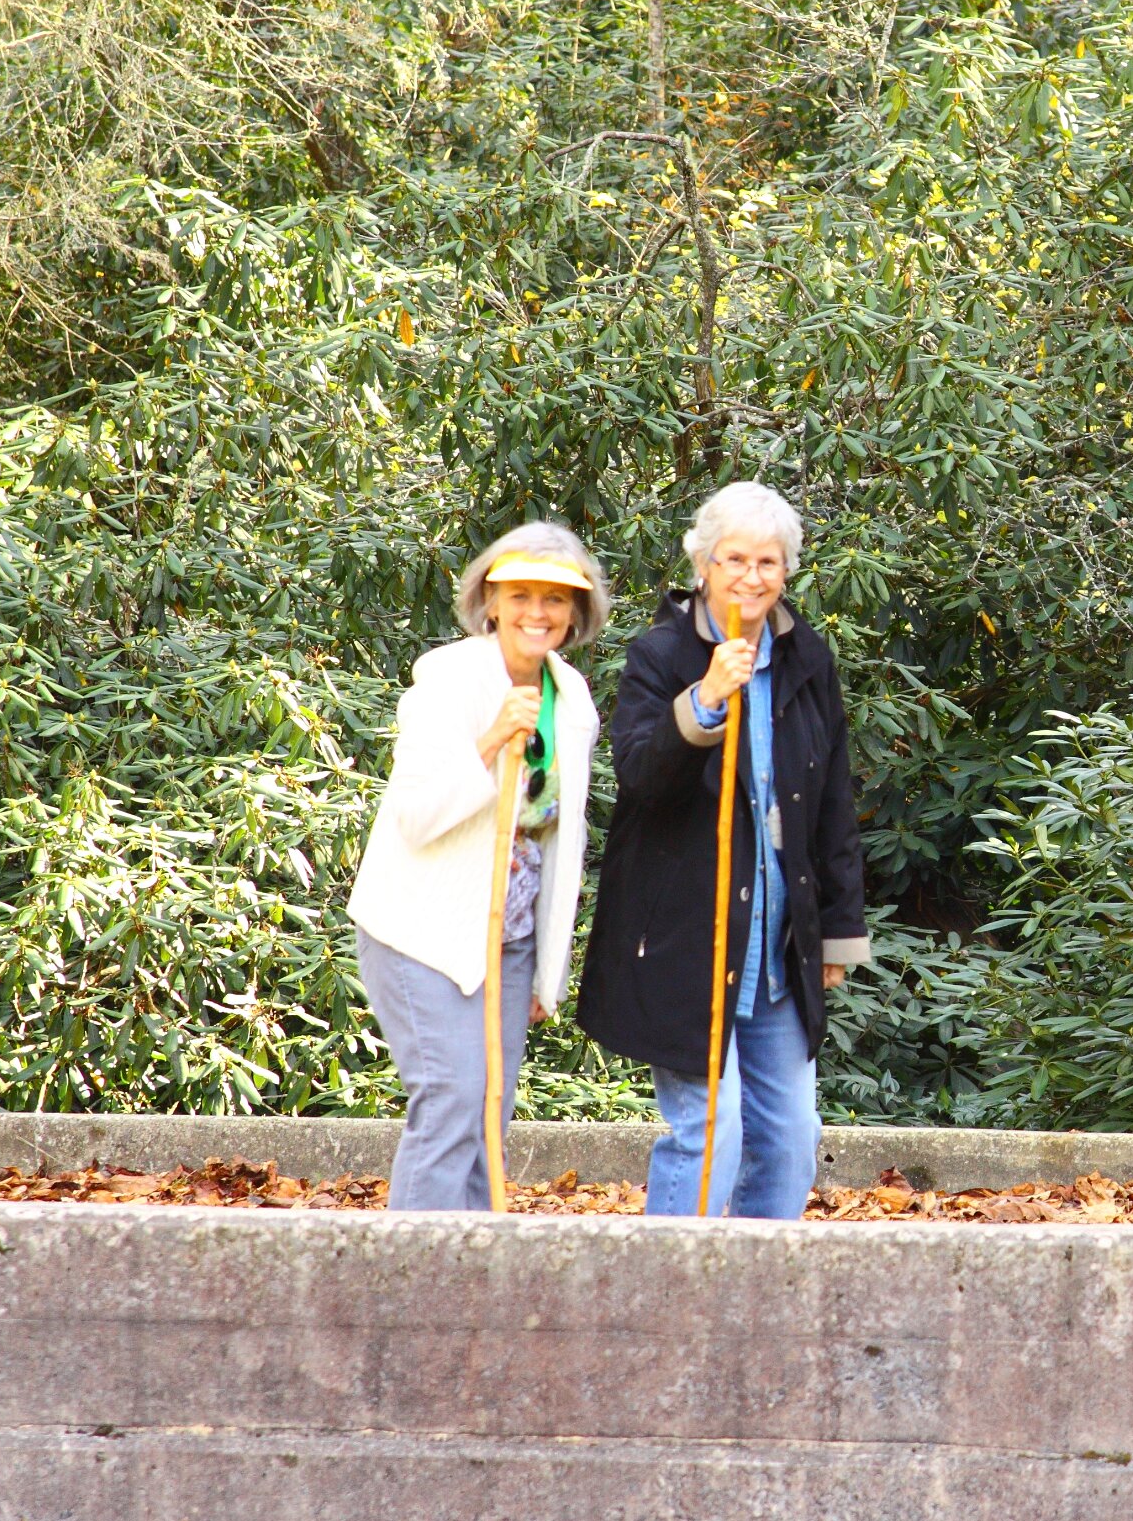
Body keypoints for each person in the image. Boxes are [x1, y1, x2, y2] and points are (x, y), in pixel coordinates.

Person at [578, 481, 868, 1218]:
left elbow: (830, 803)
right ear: (703, 565)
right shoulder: (661, 655)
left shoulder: (808, 659)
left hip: (778, 944)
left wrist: (837, 932)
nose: (751, 576)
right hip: (689, 940)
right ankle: (676, 1280)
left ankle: (755, 1281)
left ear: (786, 571)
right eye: (734, 559)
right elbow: (639, 775)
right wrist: (705, 698)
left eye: (767, 561)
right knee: (711, 1132)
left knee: (791, 1138)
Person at [348, 523, 606, 1209]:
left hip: (510, 936)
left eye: (555, 599)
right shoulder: (448, 679)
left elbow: (561, 840)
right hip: (423, 929)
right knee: (454, 1097)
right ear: (490, 602)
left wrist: (546, 970)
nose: (537, 613)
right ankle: (415, 1262)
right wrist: (491, 739)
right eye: (520, 595)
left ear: (576, 612)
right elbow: (416, 816)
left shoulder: (571, 696)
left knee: (491, 1110)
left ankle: (471, 1258)